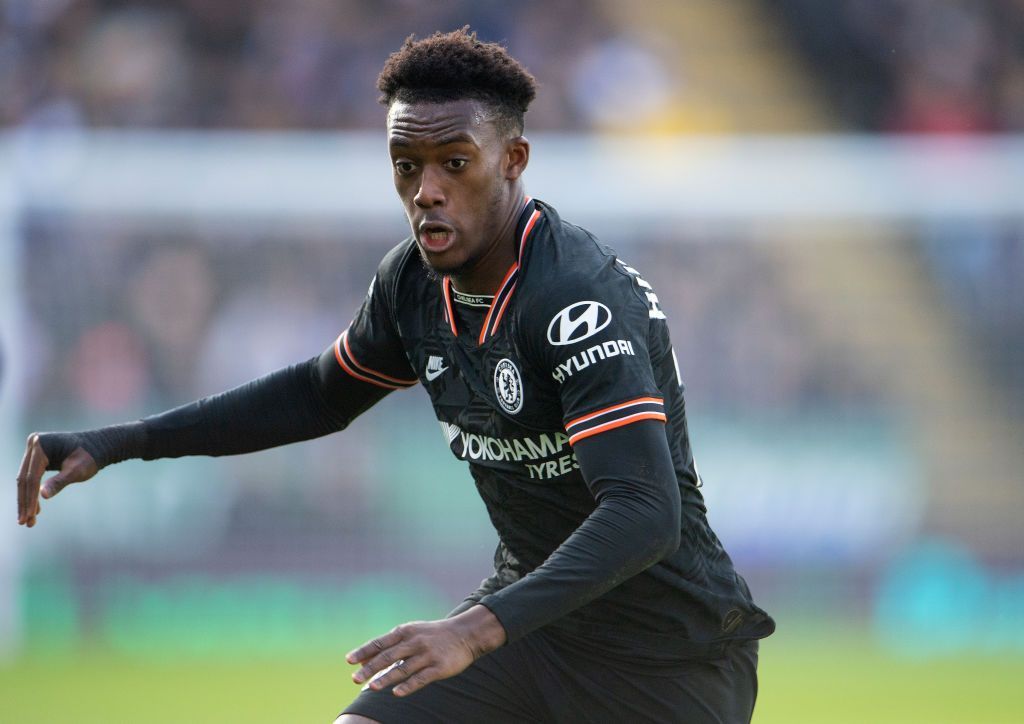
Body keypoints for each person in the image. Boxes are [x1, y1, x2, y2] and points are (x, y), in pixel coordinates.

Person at [15, 28, 775, 723]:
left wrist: (474, 629)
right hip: (531, 628)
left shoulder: (575, 299)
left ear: (512, 161)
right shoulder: (412, 283)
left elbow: (644, 511)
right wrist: (123, 440)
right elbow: (319, 394)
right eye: (406, 166)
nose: (426, 191)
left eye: (455, 163)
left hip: (668, 657)